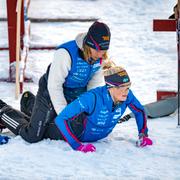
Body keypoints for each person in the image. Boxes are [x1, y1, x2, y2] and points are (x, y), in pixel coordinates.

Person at [0, 21, 111, 141]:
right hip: (50, 92)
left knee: (64, 128)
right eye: (98, 50)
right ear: (89, 45)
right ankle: (3, 110)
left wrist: (91, 110)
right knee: (33, 135)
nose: (101, 55)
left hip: (75, 94)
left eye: (104, 50)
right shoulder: (65, 54)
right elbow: (54, 86)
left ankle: (30, 104)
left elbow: (93, 88)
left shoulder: (100, 58)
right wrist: (65, 116)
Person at [0, 66, 153, 152]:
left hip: (85, 130)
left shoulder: (126, 96)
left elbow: (139, 111)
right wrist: (77, 145)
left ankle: (29, 101)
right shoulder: (92, 98)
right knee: (33, 132)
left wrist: (143, 134)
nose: (126, 91)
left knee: (43, 118)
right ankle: (3, 110)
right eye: (122, 87)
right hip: (71, 130)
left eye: (128, 86)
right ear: (110, 87)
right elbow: (61, 119)